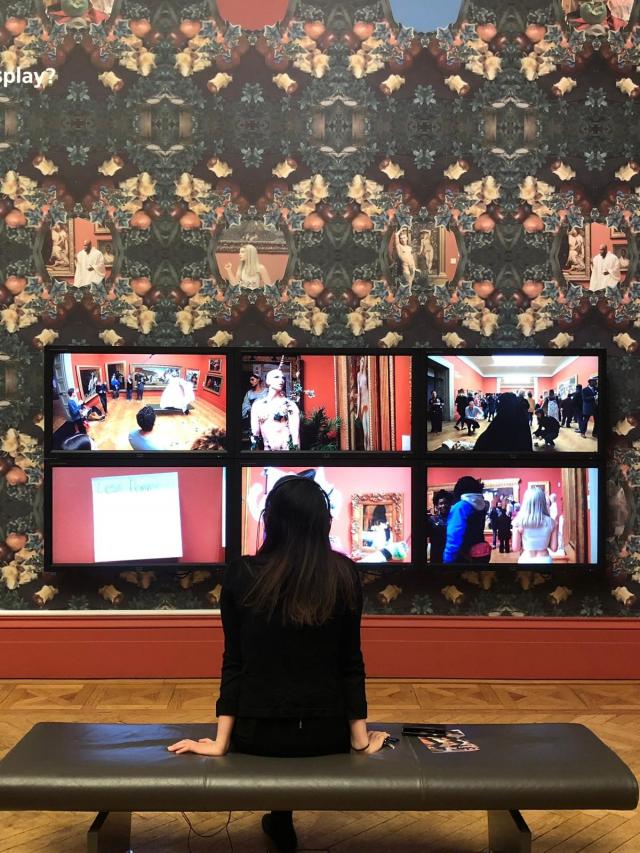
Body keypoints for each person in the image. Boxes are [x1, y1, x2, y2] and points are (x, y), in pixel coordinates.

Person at [167, 475, 389, 853]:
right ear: (323, 523)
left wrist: (221, 743)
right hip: (327, 736)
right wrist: (360, 739)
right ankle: (280, 821)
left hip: (257, 736)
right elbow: (351, 661)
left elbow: (234, 661)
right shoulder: (343, 574)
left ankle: (280, 820)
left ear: (270, 521)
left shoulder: (241, 574)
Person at [443, 476, 490, 564]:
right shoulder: (482, 504)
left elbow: (454, 535)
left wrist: (447, 560)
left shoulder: (461, 506)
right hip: (481, 555)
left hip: (463, 557)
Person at [251, 367, 300, 451]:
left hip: (286, 453)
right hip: (267, 454)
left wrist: (296, 459)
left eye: (283, 378)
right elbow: (255, 433)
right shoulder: (258, 405)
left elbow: (295, 433)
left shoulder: (290, 405)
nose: (281, 380)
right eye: (276, 377)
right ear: (268, 381)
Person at [512, 486, 558, 564]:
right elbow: (554, 548)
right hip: (545, 560)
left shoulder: (518, 522)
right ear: (543, 502)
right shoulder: (551, 522)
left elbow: (516, 548)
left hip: (526, 560)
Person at [427, 490, 453, 563]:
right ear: (437, 506)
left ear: (450, 504)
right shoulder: (431, 520)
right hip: (436, 557)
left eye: (446, 503)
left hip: (450, 555)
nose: (443, 505)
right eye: (441, 503)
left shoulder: (454, 519)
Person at [356, 357, 370, 450]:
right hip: (362, 405)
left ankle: (370, 449)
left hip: (368, 403)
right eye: (361, 361)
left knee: (369, 433)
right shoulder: (358, 375)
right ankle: (366, 451)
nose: (362, 363)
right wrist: (357, 412)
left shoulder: (369, 374)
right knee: (365, 433)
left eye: (363, 362)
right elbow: (359, 393)